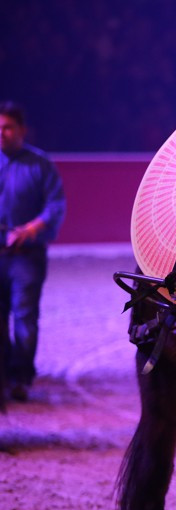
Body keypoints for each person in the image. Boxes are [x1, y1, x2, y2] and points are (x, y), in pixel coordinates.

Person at [0, 102, 65, 402]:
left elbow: (55, 206)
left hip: (26, 255)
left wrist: (31, 229)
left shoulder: (40, 165)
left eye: (7, 127)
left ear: (22, 130)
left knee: (24, 316)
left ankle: (21, 376)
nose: (2, 133)